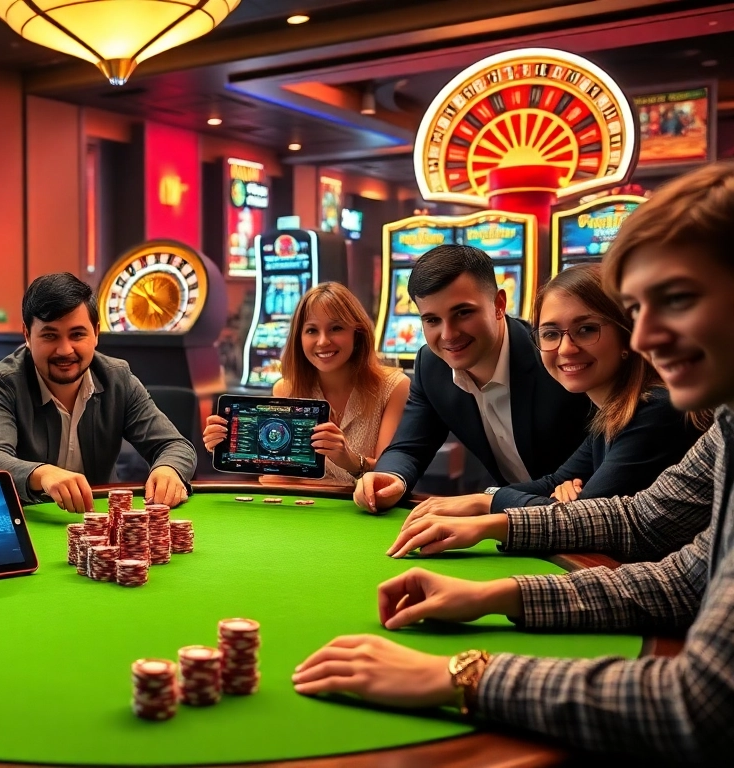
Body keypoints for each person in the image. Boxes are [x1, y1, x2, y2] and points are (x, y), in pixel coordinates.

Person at [293, 162, 734, 763]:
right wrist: (495, 591)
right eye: (638, 309)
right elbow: (655, 540)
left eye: (678, 299)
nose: (643, 337)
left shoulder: (622, 394)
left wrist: (459, 673)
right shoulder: (726, 426)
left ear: (500, 306)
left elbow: (700, 705)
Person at [386, 264, 705, 557]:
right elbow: (556, 481)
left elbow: (585, 520)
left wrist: (486, 505)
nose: (566, 348)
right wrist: (481, 500)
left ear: (627, 333)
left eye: (586, 329)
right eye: (551, 334)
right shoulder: (612, 410)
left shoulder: (655, 409)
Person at [353, 244, 592, 513]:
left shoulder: (557, 357)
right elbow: (409, 448)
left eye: (463, 313)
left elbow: (599, 462)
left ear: (499, 305)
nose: (448, 335)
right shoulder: (432, 366)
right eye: (432, 320)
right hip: (508, 512)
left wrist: (486, 501)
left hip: (584, 512)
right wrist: (390, 477)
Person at [0, 273, 196, 512]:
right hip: (30, 519)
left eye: (77, 334)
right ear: (27, 335)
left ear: (96, 333)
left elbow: (174, 445)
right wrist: (42, 474)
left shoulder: (117, 378)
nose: (65, 350)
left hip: (102, 519)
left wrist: (168, 469)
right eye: (50, 336)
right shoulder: (2, 383)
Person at [202, 283, 409, 484]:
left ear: (358, 333)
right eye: (312, 330)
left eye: (336, 328)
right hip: (306, 503)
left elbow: (390, 476)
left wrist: (350, 460)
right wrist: (230, 445)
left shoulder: (393, 387)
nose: (323, 341)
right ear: (299, 338)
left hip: (364, 505)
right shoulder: (286, 388)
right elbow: (282, 474)